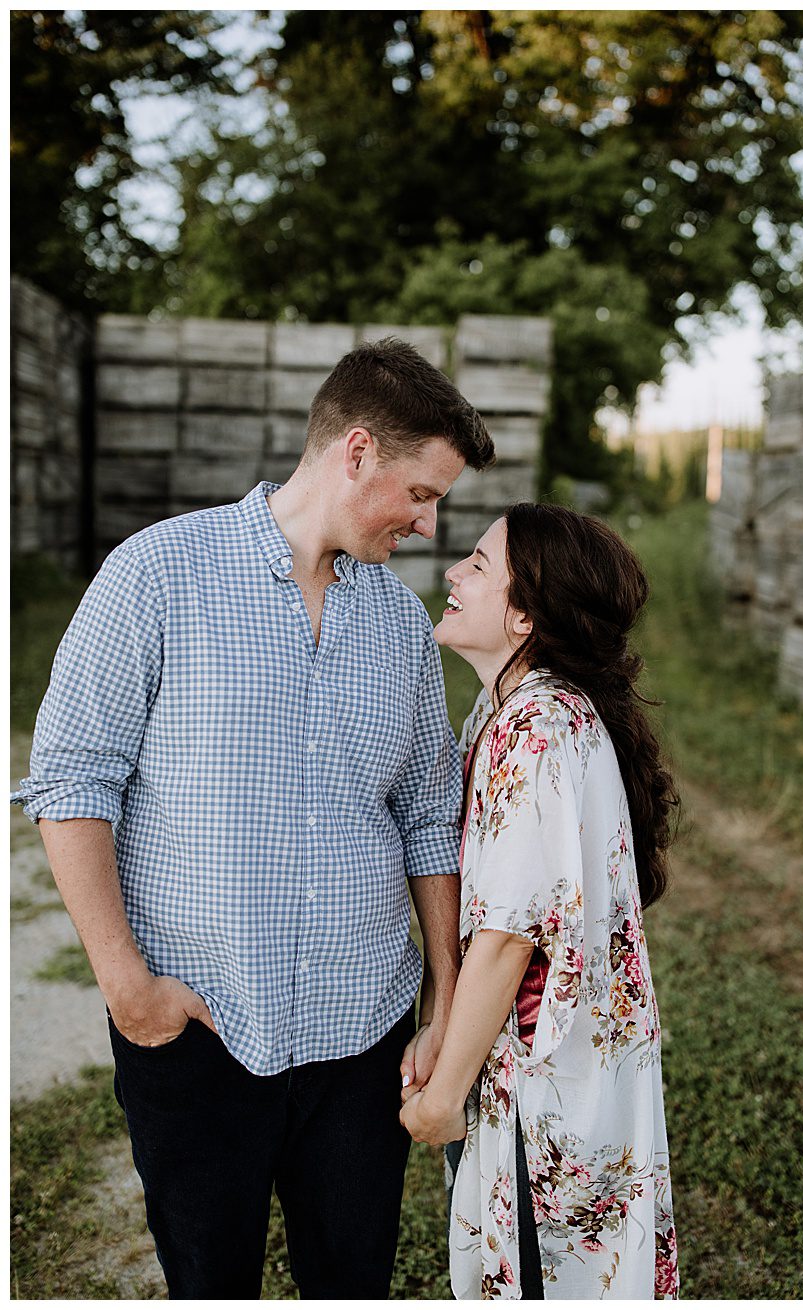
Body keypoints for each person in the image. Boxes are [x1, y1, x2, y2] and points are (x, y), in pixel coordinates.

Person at [13, 338, 496, 1296]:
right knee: (209, 1280)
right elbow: (70, 783)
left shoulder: (399, 623)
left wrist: (442, 997)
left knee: (352, 1279)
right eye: (421, 493)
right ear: (356, 452)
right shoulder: (154, 576)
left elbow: (429, 811)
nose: (430, 525)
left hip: (361, 1034)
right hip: (196, 1030)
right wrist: (127, 988)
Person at [398, 504, 680, 1300]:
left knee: (543, 1279)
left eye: (479, 565)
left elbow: (507, 936)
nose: (453, 573)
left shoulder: (539, 728)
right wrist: (445, 1031)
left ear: (525, 615)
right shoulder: (510, 711)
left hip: (544, 1092)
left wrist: (443, 1097)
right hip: (543, 1070)